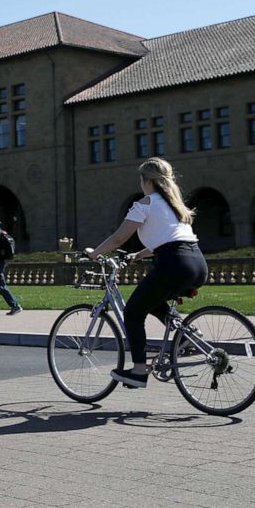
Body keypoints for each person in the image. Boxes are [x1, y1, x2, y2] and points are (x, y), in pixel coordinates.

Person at [87, 157, 208, 389]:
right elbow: (167, 240)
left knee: (132, 312)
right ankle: (188, 336)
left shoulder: (145, 203)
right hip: (197, 263)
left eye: (141, 180)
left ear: (147, 181)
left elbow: (119, 237)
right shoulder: (175, 205)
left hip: (173, 265)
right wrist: (138, 255)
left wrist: (95, 253)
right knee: (152, 301)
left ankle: (139, 371)